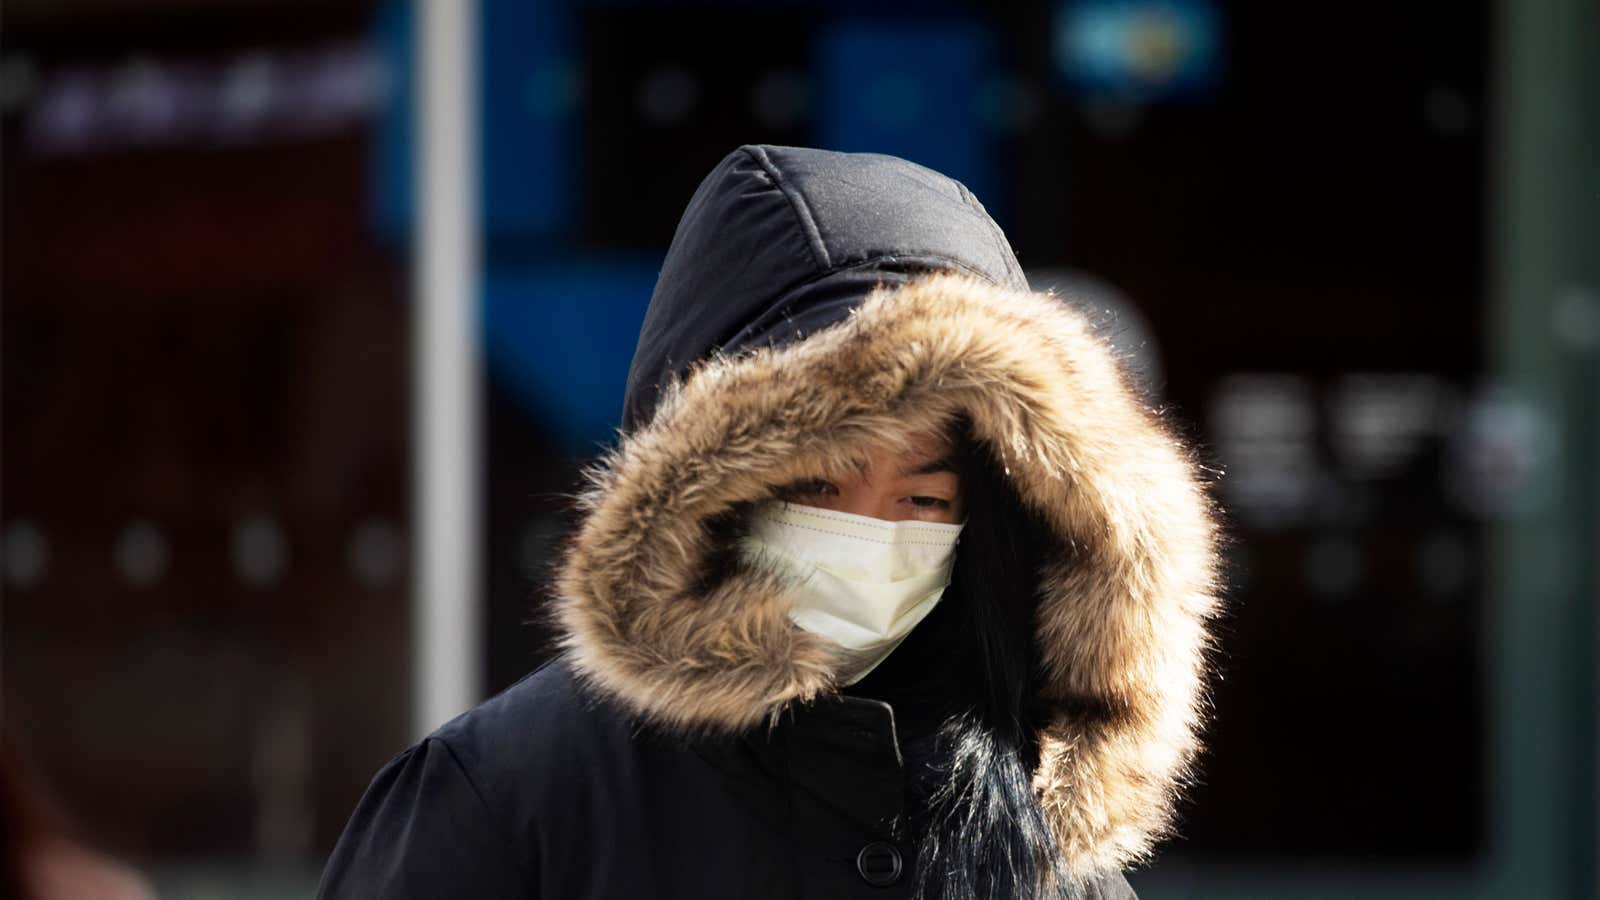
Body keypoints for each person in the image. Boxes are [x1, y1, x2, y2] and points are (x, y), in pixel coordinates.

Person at [317, 145, 1222, 899]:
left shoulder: (1039, 844)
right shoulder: (510, 800)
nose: (872, 535)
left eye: (924, 500)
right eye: (819, 488)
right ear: (709, 493)